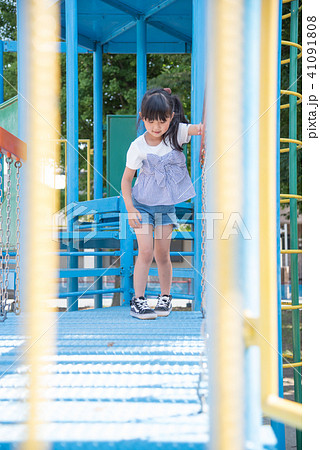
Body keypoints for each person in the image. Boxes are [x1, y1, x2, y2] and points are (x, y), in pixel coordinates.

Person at [121, 87, 202, 320]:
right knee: (145, 251)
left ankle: (165, 298)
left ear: (171, 117)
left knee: (163, 254)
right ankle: (138, 300)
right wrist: (130, 209)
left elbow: (199, 129)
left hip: (166, 207)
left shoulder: (176, 134)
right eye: (150, 121)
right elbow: (126, 180)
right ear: (142, 117)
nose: (156, 127)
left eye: (162, 121)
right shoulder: (138, 146)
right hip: (142, 206)